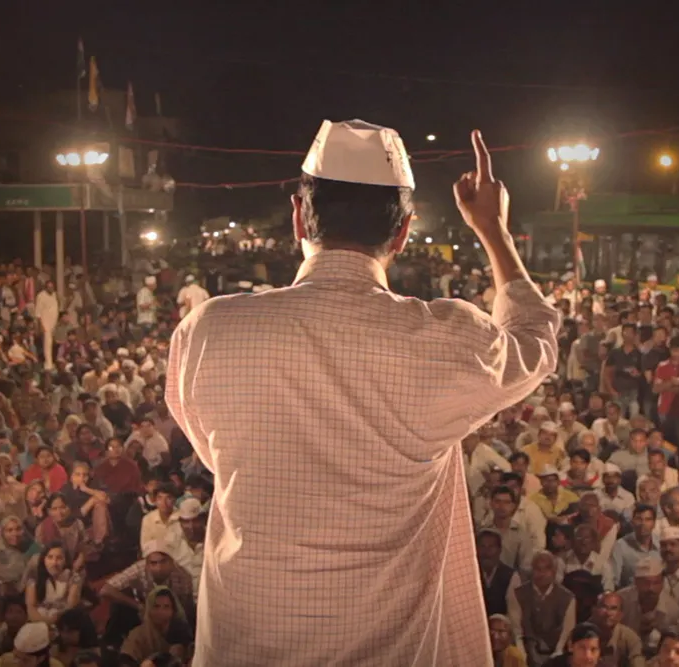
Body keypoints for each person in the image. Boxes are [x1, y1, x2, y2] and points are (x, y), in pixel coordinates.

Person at [164, 124, 560, 665]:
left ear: (299, 216)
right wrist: (493, 231)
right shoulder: (444, 339)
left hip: (246, 640)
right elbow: (535, 340)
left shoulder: (209, 329)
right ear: (402, 233)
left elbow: (214, 454)